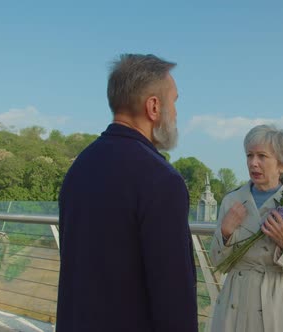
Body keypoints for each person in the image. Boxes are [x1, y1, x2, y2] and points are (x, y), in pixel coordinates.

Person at [56, 54, 198, 332]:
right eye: (175, 101)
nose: (177, 113)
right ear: (154, 106)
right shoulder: (162, 180)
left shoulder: (79, 168)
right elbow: (173, 296)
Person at [209, 124, 283, 332]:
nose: (253, 163)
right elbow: (218, 263)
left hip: (280, 310)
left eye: (262, 156)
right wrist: (225, 233)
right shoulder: (231, 200)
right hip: (234, 307)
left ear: (282, 163)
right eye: (249, 155)